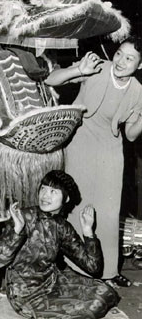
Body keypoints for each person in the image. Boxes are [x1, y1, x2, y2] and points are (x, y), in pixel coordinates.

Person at [45, 37, 142, 287]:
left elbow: (130, 134)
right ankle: (73, 266)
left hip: (110, 148)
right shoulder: (97, 66)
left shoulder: (137, 91)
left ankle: (107, 270)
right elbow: (50, 79)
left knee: (108, 213)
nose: (120, 61)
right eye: (119, 53)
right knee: (77, 205)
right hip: (80, 141)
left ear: (140, 65)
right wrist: (79, 70)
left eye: (129, 58)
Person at [0, 170, 119, 319]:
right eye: (43, 189)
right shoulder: (24, 216)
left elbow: (93, 268)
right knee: (88, 309)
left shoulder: (62, 227)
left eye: (53, 191)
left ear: (65, 199)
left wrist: (88, 232)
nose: (45, 195)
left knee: (104, 292)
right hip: (26, 295)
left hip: (54, 282)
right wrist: (17, 230)